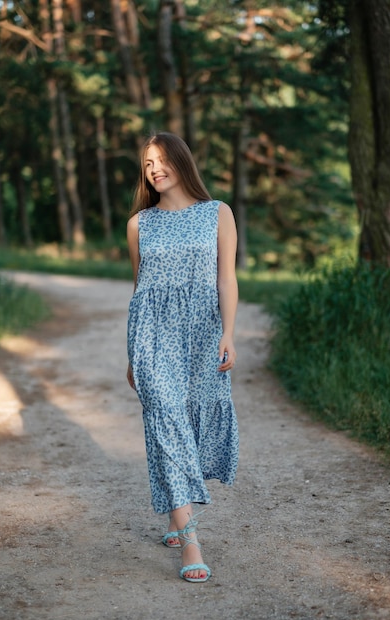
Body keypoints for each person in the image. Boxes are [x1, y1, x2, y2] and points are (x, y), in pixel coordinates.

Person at [126, 131, 239, 583]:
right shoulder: (139, 224)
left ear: (180, 160)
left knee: (190, 422)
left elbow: (226, 279)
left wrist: (228, 333)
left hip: (202, 332)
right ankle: (190, 539)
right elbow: (140, 292)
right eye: (147, 163)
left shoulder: (218, 213)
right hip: (152, 337)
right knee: (165, 418)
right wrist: (133, 355)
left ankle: (176, 515)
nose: (153, 169)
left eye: (160, 160)